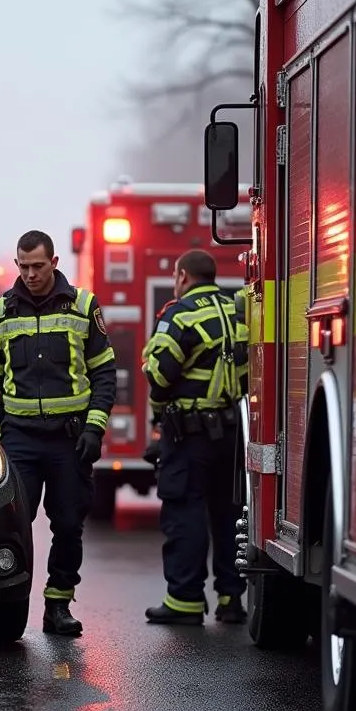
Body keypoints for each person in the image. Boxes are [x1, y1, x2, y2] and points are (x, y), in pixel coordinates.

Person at [0, 230, 116, 635]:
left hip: (69, 440)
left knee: (69, 523)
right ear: (16, 264)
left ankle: (58, 605)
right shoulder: (1, 311)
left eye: (39, 266)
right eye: (24, 266)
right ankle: (10, 602)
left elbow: (105, 373)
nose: (31, 274)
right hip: (19, 439)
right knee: (10, 525)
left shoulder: (83, 306)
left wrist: (94, 428)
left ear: (54, 263)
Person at [141, 249, 249, 625]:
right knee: (229, 515)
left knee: (185, 512)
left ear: (182, 276)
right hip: (233, 434)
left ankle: (185, 600)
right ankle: (231, 598)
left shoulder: (180, 313)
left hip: (189, 437)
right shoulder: (238, 313)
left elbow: (160, 374)